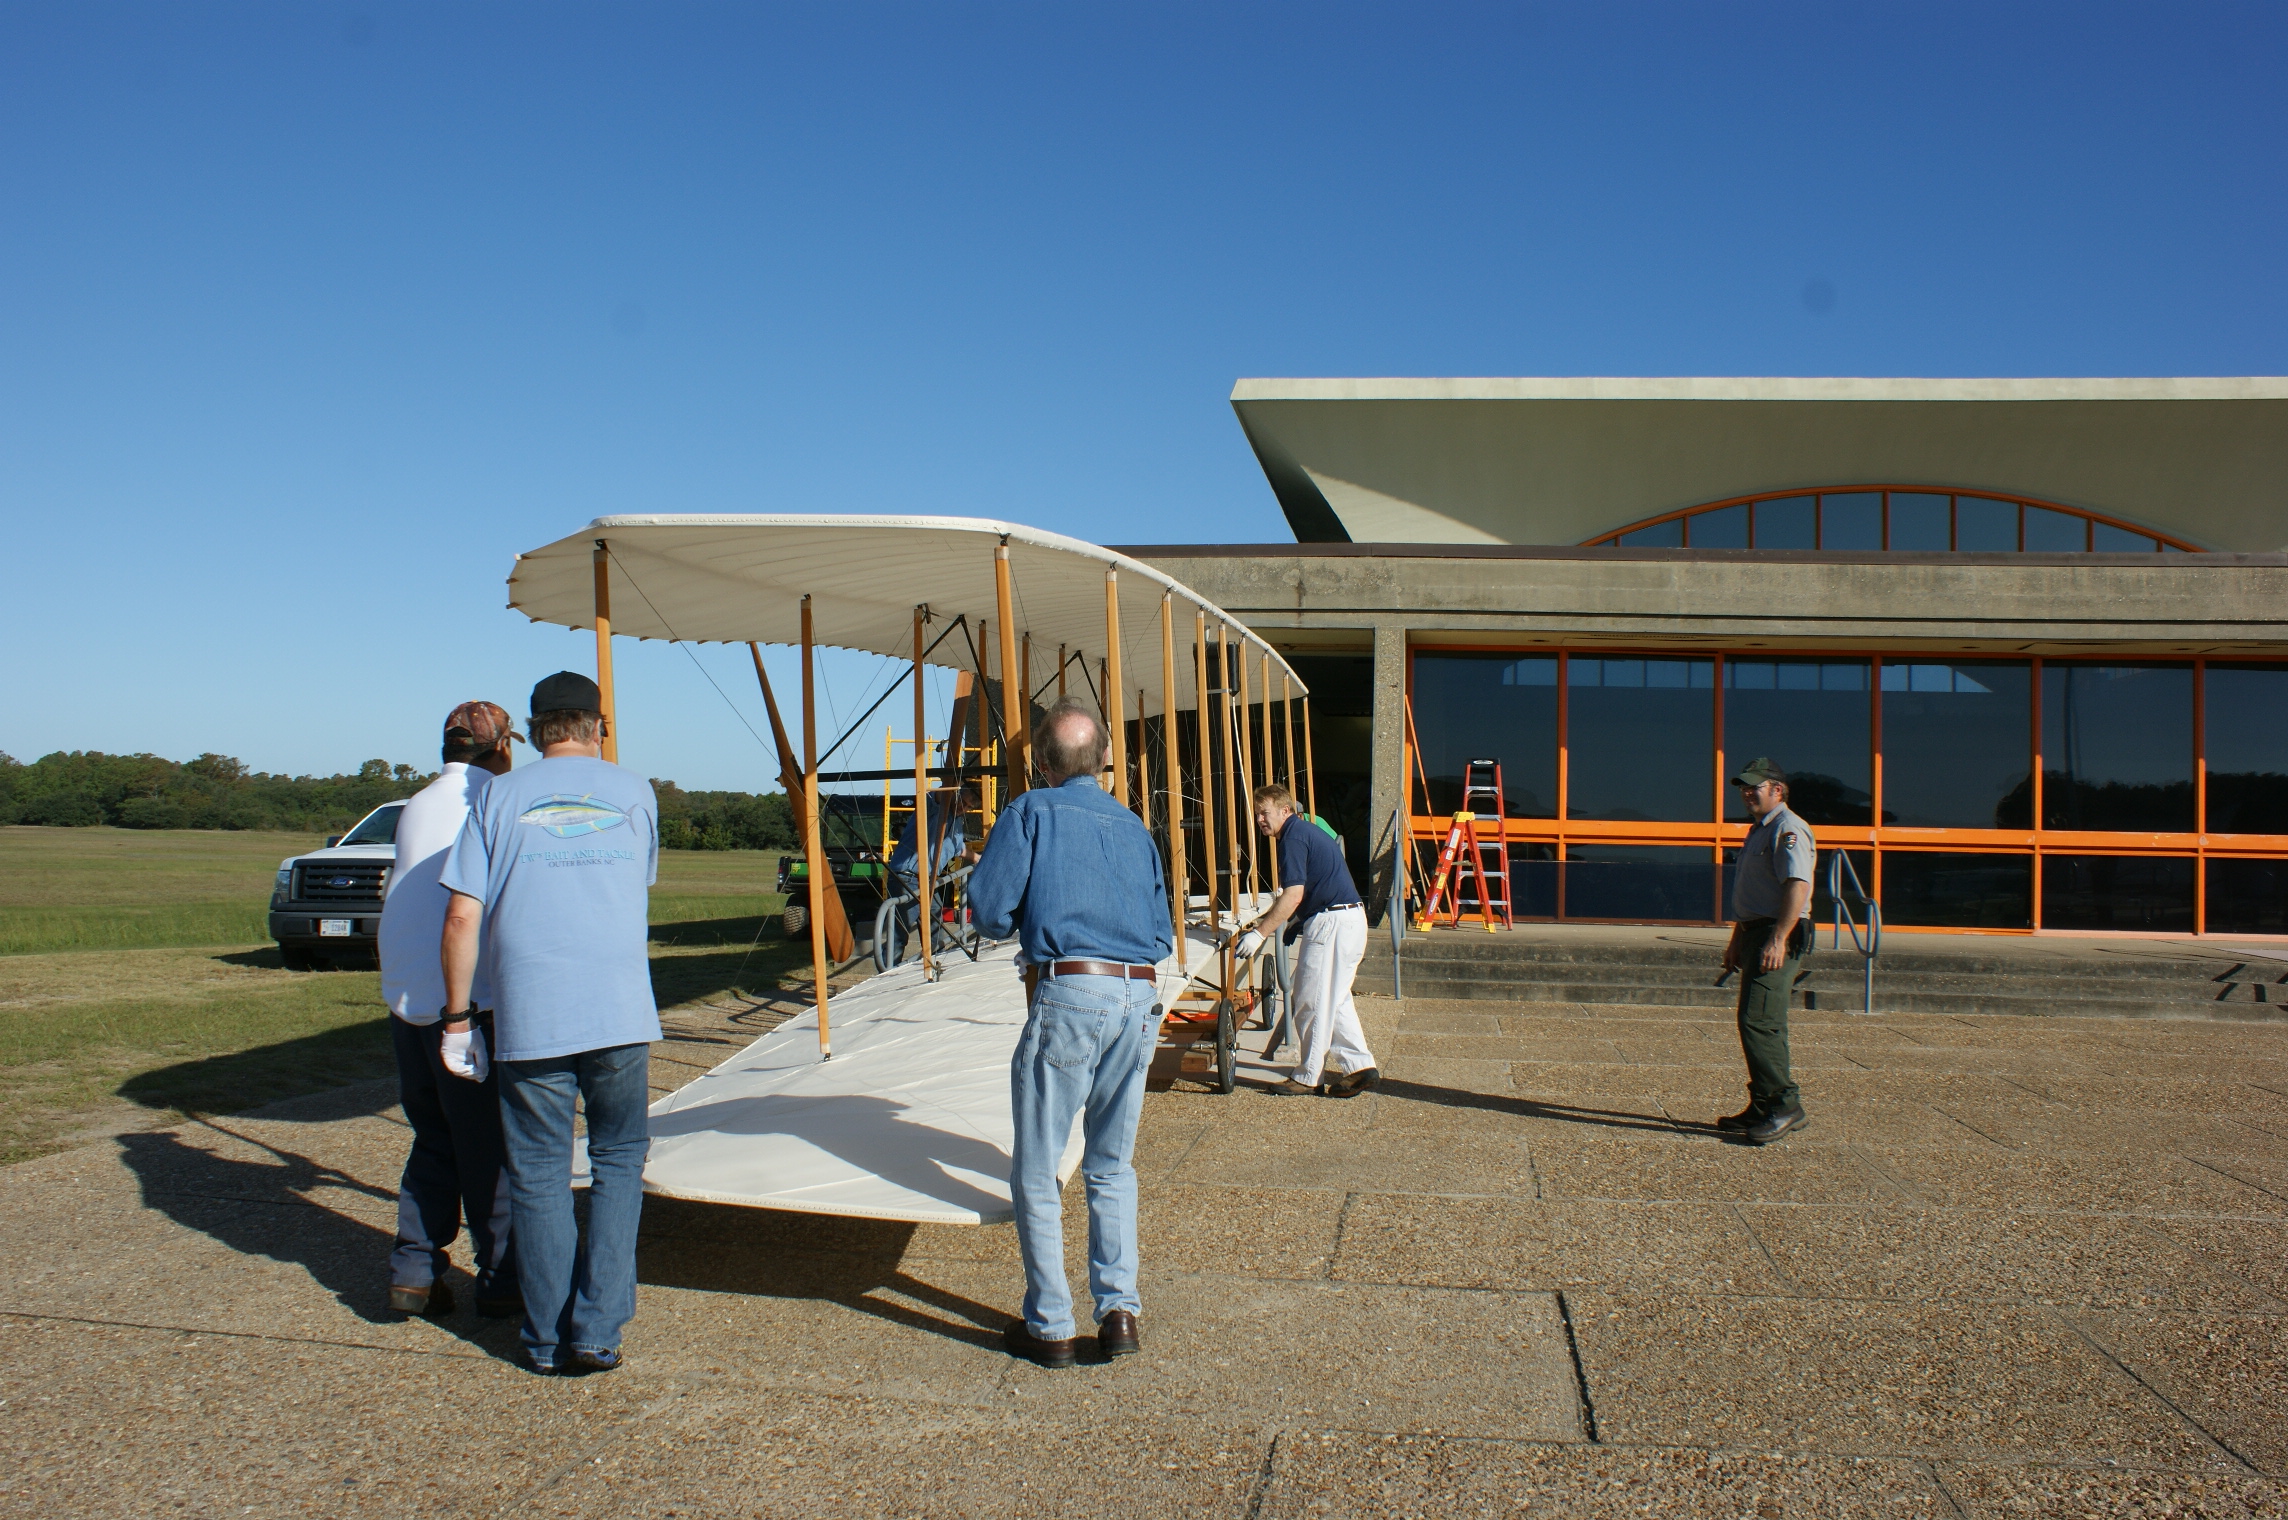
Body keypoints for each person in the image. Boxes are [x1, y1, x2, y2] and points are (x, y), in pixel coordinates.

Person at [439, 672, 662, 1374]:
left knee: (537, 1172)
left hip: (532, 1010)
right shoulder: (636, 792)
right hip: (621, 1011)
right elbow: (637, 883)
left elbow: (461, 914)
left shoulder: (498, 797)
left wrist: (454, 1019)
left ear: (535, 731)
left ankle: (543, 1338)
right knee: (619, 1163)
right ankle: (597, 1329)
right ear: (598, 726)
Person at [967, 698, 1172, 1369]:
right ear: (1103, 760)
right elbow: (1163, 930)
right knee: (1112, 1163)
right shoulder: (1134, 826)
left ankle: (1050, 1323)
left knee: (1038, 1162)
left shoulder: (1031, 811)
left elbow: (990, 913)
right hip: (1141, 992)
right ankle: (1119, 1312)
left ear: (1044, 764)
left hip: (1072, 988)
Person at [376, 700, 523, 1319]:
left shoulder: (416, 803)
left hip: (405, 997)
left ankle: (414, 1265)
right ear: (501, 747)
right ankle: (502, 1277)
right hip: (464, 1001)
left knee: (433, 1135)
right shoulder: (494, 799)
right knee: (489, 1147)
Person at [1235, 784, 1377, 1098]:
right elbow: (1315, 889)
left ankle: (1308, 1076)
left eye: (1265, 812)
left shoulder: (1293, 838)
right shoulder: (1304, 832)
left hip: (1333, 925)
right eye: (1257, 813)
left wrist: (1259, 934)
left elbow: (1294, 895)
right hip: (1347, 919)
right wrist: (1296, 923)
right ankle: (1359, 1067)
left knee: (1310, 1000)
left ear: (1285, 811)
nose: (1260, 819)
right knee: (1335, 999)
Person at [1720, 757, 1815, 1145]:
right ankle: (1761, 1104)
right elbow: (1752, 896)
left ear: (1778, 790)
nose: (1746, 793)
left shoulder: (1789, 828)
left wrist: (1777, 937)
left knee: (1760, 1021)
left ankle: (1783, 1106)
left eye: (1754, 786)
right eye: (1743, 787)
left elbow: (1797, 884)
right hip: (1757, 931)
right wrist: (1737, 940)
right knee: (1759, 1020)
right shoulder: (1759, 830)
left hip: (1779, 933)